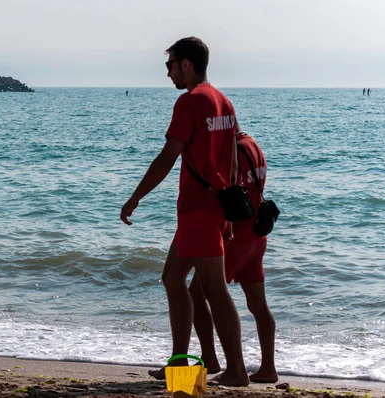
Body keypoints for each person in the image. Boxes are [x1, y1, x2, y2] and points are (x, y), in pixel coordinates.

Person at [120, 37, 249, 387]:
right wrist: (231, 214)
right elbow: (235, 156)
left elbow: (167, 156)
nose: (168, 73)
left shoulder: (189, 101)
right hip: (212, 209)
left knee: (214, 288)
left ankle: (236, 371)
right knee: (172, 278)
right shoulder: (224, 101)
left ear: (187, 64)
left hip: (199, 210)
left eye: (170, 65)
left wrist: (136, 197)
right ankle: (181, 365)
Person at [189, 122, 278, 383]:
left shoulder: (233, 150)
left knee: (197, 292)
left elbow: (229, 190)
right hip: (257, 234)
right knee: (259, 305)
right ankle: (268, 368)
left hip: (237, 235)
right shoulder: (252, 144)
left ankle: (218, 362)